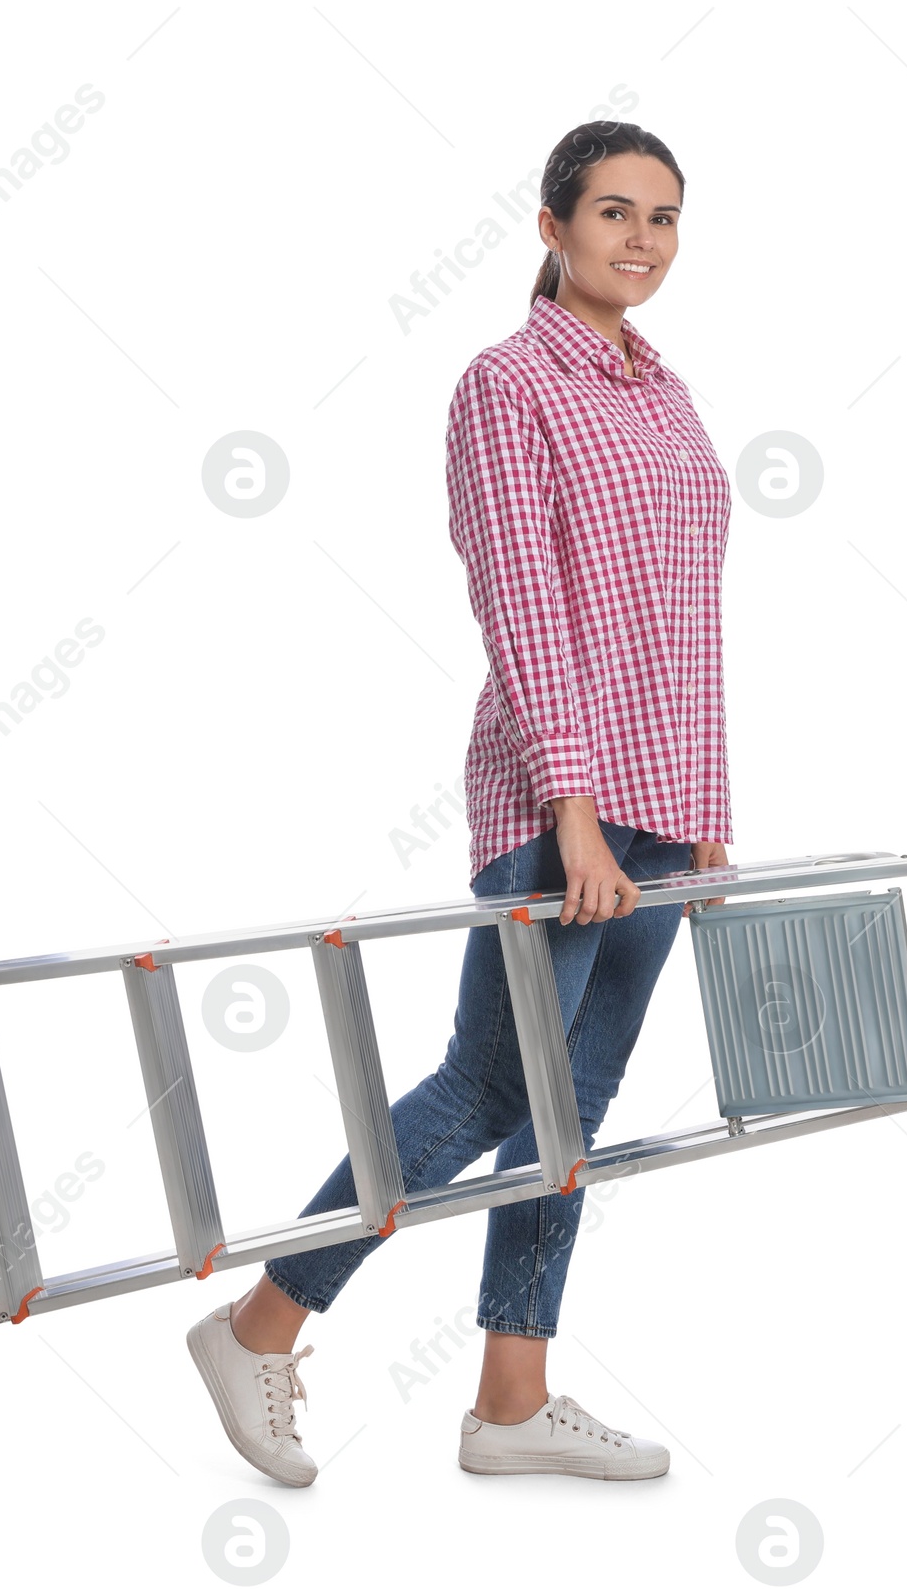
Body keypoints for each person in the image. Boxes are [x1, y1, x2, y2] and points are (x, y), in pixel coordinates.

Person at [187, 120, 733, 1485]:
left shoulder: (666, 394)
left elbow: (691, 614)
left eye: (664, 218)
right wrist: (575, 804)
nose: (642, 240)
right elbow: (520, 601)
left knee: (575, 1107)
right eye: (615, 212)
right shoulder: (507, 385)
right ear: (551, 225)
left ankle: (510, 1399)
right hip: (567, 804)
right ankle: (260, 1321)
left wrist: (708, 804)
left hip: (667, 796)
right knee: (489, 1083)